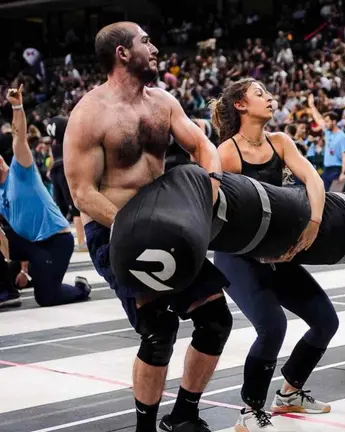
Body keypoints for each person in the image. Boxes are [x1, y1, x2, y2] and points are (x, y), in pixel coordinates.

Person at [64, 22, 230, 432]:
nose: (154, 48)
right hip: (116, 231)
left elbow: (201, 144)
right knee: (159, 331)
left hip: (169, 227)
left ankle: (185, 416)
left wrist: (212, 183)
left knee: (216, 320)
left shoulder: (162, 101)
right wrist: (135, 228)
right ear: (122, 53)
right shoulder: (89, 114)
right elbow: (82, 193)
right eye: (146, 41)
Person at [210, 78, 339, 431]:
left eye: (268, 92)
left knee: (327, 321)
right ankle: (250, 411)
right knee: (273, 328)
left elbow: (313, 179)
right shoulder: (226, 153)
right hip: (239, 257)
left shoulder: (280, 142)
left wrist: (313, 221)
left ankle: (289, 394)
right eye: (260, 94)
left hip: (278, 253)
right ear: (240, 105)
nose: (270, 98)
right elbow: (221, 213)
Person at [0, 85, 92, 308]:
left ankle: (81, 288)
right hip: (28, 243)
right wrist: (18, 269)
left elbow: (19, 138)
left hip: (55, 242)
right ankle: (6, 288)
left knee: (46, 298)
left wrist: (18, 107)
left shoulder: (21, 171)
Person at [45, 114, 87, 252]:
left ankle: (60, 243)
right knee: (75, 209)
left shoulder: (54, 144)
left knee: (62, 209)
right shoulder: (67, 140)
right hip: (64, 171)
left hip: (56, 172)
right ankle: (81, 242)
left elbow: (51, 160)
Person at [307, 94, 345, 191]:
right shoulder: (327, 132)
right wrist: (312, 106)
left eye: (327, 121)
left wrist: (343, 173)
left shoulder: (342, 136)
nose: (325, 123)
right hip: (326, 168)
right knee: (322, 193)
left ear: (334, 122)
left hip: (336, 169)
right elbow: (318, 119)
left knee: (334, 196)